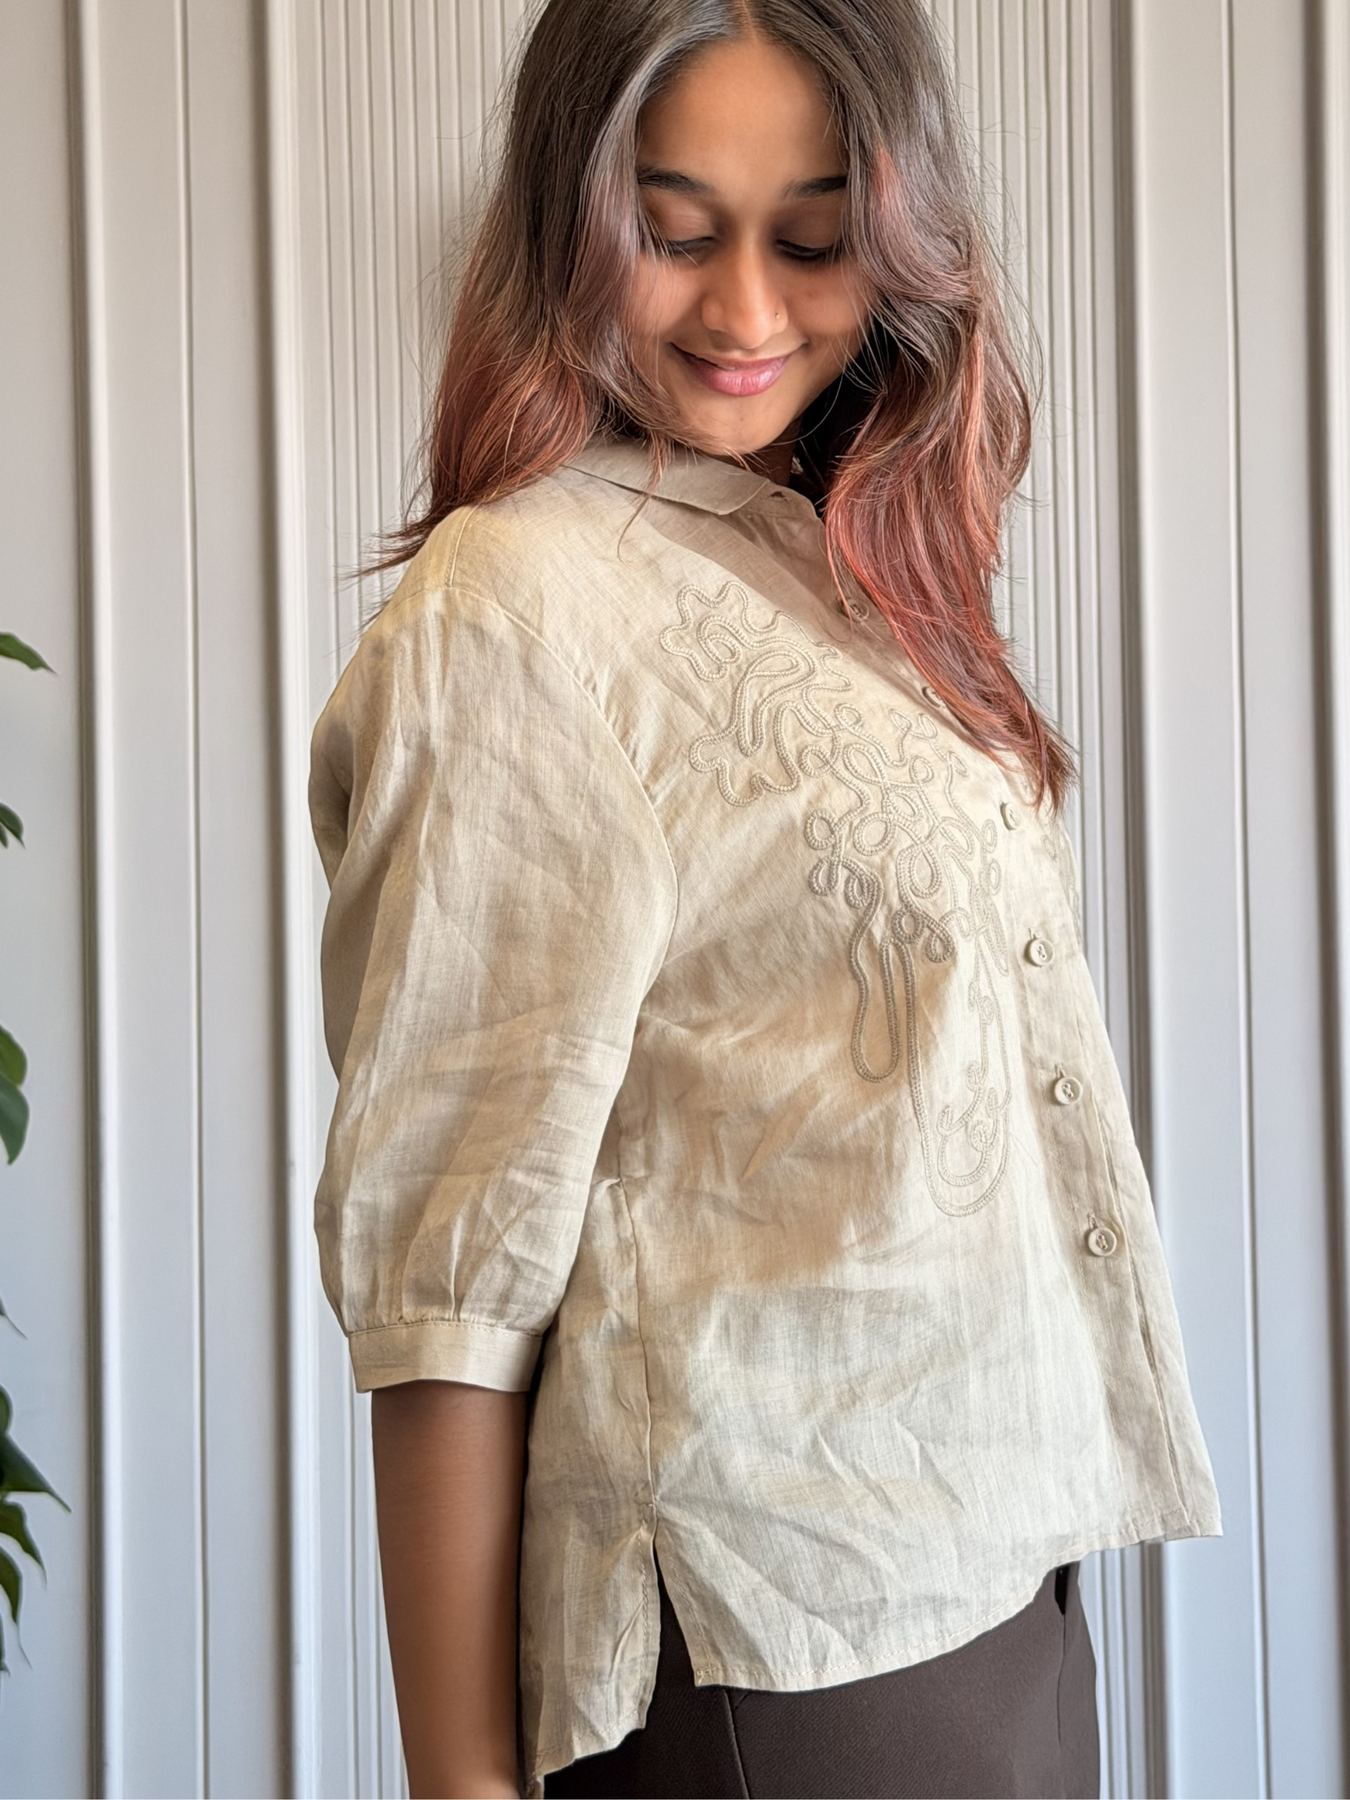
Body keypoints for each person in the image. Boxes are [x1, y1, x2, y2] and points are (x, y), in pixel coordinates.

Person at [307, 2, 1223, 1795]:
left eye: (810, 242)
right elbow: (451, 1281)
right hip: (779, 1650)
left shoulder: (828, 560)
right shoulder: (517, 612)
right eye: (674, 231)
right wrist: (463, 1784)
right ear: (567, 226)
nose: (744, 312)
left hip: (997, 1577)